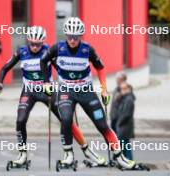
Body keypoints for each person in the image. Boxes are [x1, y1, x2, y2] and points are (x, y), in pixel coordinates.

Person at [0, 26, 106, 166]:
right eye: (32, 44)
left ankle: (87, 151)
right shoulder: (21, 51)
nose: (35, 47)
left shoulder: (48, 50)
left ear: (43, 43)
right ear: (28, 41)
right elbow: (5, 68)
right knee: (20, 120)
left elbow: (60, 67)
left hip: (48, 90)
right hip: (29, 90)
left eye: (38, 44)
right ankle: (22, 154)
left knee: (66, 121)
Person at [40, 17, 136, 169]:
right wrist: (46, 82)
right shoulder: (57, 48)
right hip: (66, 90)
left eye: (76, 37)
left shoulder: (87, 49)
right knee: (65, 119)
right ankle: (68, 154)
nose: (72, 40)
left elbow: (101, 68)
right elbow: (43, 61)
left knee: (102, 125)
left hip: (86, 90)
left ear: (80, 36)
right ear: (66, 35)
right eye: (70, 36)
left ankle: (120, 157)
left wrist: (104, 89)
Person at [116, 82, 135, 160]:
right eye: (121, 89)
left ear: (128, 89)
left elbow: (126, 114)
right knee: (124, 144)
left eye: (124, 89)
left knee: (125, 144)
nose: (122, 91)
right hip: (124, 125)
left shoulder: (129, 99)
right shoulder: (125, 98)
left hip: (125, 126)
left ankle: (129, 160)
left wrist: (119, 123)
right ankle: (125, 160)